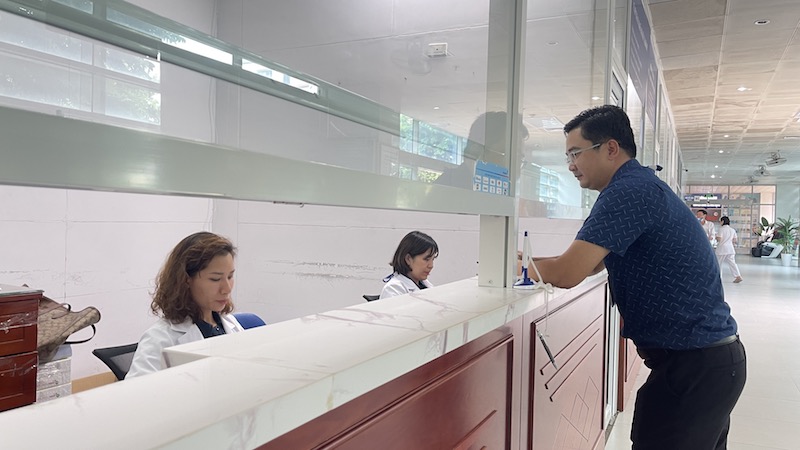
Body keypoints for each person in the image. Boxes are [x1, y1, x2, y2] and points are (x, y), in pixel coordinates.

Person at [526, 105, 745, 449]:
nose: (570, 165)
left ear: (610, 148)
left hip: (694, 367)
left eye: (575, 153)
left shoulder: (628, 192)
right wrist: (530, 261)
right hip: (706, 364)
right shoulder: (639, 185)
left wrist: (517, 267)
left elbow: (570, 272)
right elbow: (595, 262)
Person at [126, 232, 244, 378]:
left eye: (230, 276)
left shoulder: (230, 324)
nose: (227, 289)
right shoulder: (160, 339)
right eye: (215, 279)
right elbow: (137, 394)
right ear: (186, 280)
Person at [380, 231, 438, 299]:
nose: (431, 265)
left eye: (433, 259)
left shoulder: (426, 285)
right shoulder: (393, 290)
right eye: (426, 259)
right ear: (408, 259)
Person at [716, 216, 743, 283]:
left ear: (722, 221)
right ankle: (738, 276)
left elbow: (719, 239)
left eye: (720, 221)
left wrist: (716, 237)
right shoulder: (732, 230)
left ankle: (718, 277)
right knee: (732, 263)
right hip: (730, 249)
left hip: (722, 249)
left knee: (718, 263)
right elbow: (735, 240)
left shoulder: (721, 229)